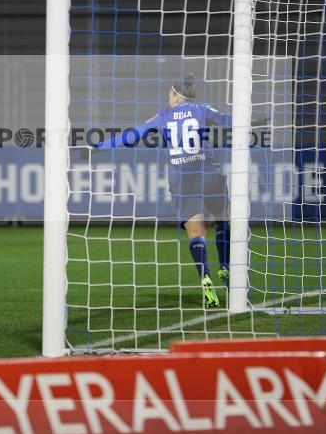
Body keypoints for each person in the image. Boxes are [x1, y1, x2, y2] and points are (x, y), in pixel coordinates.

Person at [90, 73, 232, 308]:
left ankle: (205, 276)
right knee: (223, 219)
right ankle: (225, 266)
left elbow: (133, 135)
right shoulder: (202, 108)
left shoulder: (163, 116)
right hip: (208, 172)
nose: (168, 97)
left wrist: (102, 145)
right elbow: (226, 120)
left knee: (196, 232)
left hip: (181, 179)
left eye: (170, 93)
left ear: (177, 96)